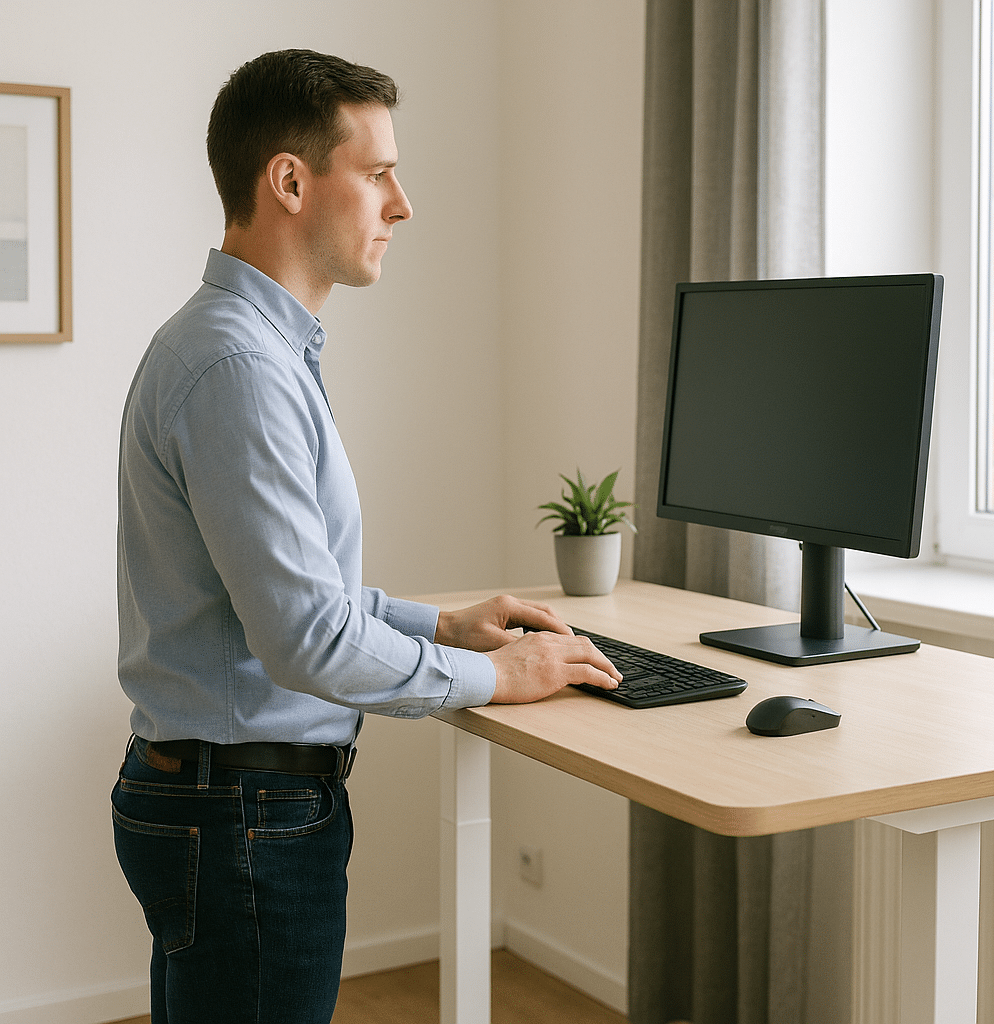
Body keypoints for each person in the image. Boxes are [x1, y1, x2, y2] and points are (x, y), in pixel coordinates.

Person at [111, 48, 620, 1024]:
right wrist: (502, 676)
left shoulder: (242, 350)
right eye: (379, 170)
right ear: (291, 181)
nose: (402, 203)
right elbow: (305, 636)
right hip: (244, 821)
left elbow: (285, 593)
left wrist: (445, 626)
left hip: (222, 806)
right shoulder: (238, 369)